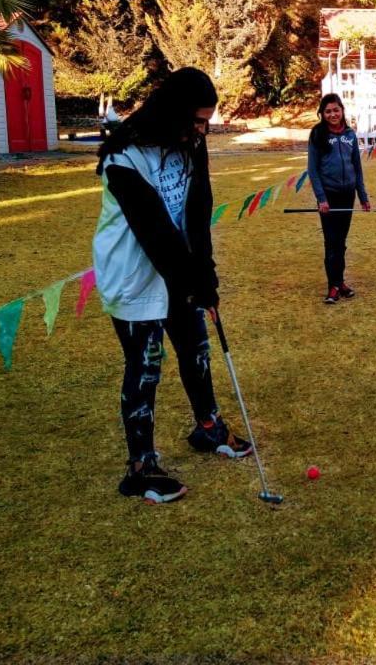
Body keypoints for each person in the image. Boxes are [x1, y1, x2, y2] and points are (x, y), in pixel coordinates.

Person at [93, 67, 252, 505]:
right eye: (197, 120)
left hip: (176, 269)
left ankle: (208, 428)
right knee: (145, 369)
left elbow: (198, 212)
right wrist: (194, 283)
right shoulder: (123, 157)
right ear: (173, 112)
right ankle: (140, 467)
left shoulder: (190, 143)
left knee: (196, 348)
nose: (203, 130)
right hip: (134, 276)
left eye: (206, 121)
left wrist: (208, 280)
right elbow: (156, 233)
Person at [307, 93, 370, 304]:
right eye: (328, 111)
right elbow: (313, 170)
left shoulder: (350, 135)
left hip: (347, 195)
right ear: (322, 114)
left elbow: (357, 168)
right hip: (329, 197)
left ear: (342, 110)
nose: (333, 114)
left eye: (336, 110)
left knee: (341, 242)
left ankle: (340, 281)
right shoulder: (317, 135)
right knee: (331, 242)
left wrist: (363, 197)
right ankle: (332, 287)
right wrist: (321, 198)